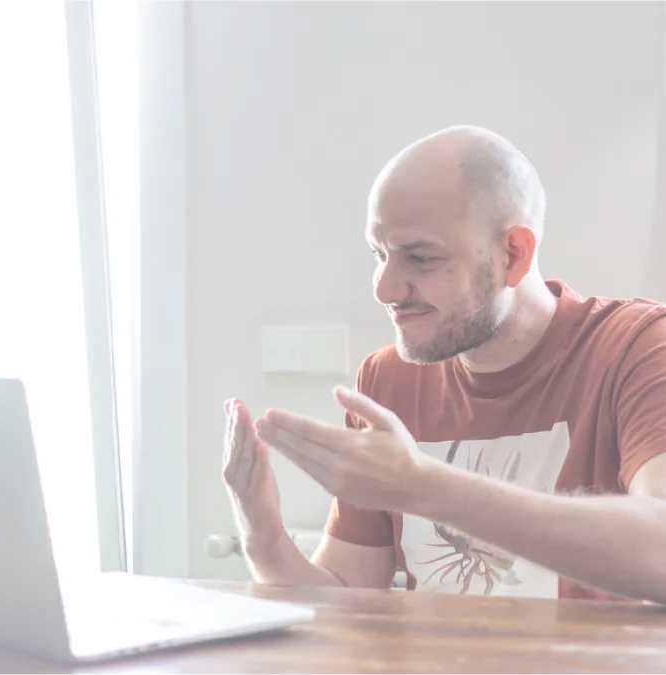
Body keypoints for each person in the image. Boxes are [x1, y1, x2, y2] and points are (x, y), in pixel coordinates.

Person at [222, 125, 666, 603]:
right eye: (380, 254)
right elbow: (343, 604)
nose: (384, 290)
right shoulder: (386, 379)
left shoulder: (637, 348)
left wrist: (426, 488)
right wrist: (262, 535)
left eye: (420, 258)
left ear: (514, 253)